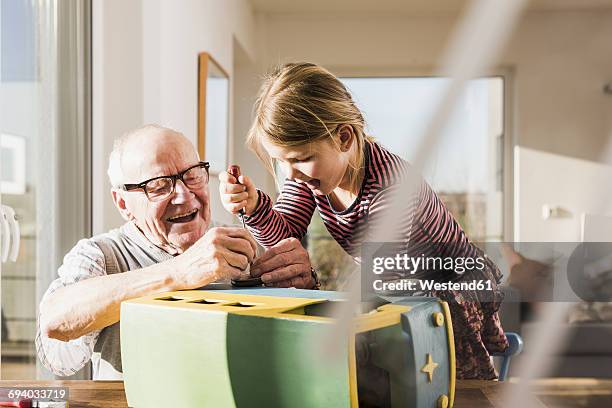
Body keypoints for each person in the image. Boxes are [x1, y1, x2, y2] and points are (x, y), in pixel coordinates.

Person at [219, 62, 508, 379]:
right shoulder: (308, 177)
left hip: (446, 288)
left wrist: (319, 294)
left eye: (300, 159)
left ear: (343, 138)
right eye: (281, 161)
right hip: (392, 281)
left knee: (447, 379)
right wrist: (256, 206)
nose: (290, 174)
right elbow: (285, 235)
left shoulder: (391, 186)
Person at [36, 124, 318, 380]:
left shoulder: (245, 242)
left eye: (193, 175)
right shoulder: (101, 254)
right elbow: (56, 325)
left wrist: (308, 290)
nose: (185, 195)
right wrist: (181, 271)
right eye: (159, 186)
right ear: (123, 203)